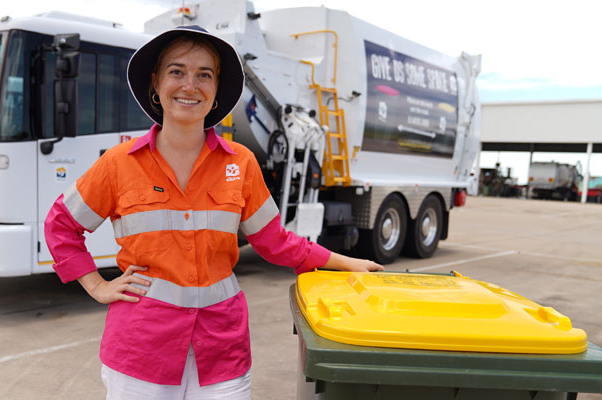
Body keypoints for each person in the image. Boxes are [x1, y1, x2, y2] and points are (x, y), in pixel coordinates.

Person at [44, 25, 383, 399]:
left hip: (221, 348)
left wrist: (344, 261)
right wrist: (96, 285)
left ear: (217, 88)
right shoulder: (119, 164)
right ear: (156, 83)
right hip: (142, 350)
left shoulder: (242, 163)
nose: (190, 85)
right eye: (177, 72)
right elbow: (61, 225)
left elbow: (274, 241)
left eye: (204, 74)